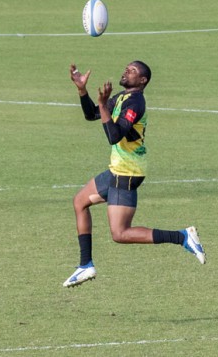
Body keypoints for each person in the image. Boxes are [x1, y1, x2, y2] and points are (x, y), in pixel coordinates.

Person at [63, 61, 206, 288]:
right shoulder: (122, 97)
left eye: (132, 71)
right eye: (126, 68)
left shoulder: (136, 103)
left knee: (120, 234)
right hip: (116, 169)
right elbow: (91, 114)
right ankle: (85, 265)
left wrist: (103, 106)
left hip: (128, 173)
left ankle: (182, 237)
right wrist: (82, 90)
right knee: (80, 201)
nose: (126, 71)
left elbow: (114, 136)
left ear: (142, 80)